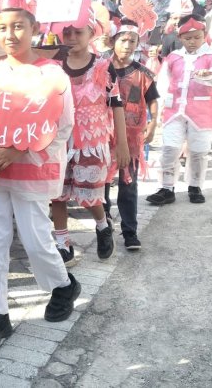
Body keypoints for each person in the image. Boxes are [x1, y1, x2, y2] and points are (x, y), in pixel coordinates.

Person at [0, 0, 81, 352]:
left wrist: (17, 151)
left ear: (34, 29)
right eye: (2, 27)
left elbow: (62, 125)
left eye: (18, 26)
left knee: (36, 239)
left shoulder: (52, 73)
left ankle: (63, 286)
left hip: (30, 168)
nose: (10, 34)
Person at [43, 21, 129, 265]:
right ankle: (63, 244)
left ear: (92, 33)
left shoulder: (104, 67)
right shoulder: (53, 67)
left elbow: (117, 105)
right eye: (66, 32)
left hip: (92, 142)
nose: (71, 37)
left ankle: (102, 225)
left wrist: (121, 144)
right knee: (57, 194)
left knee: (90, 196)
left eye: (77, 32)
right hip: (58, 141)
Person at [147, 14, 212, 206]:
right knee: (170, 149)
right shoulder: (174, 57)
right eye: (188, 38)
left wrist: (209, 76)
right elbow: (163, 82)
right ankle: (166, 187)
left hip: (201, 111)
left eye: (197, 37)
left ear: (204, 35)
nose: (193, 42)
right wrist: (161, 103)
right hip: (174, 111)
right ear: (180, 38)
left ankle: (195, 186)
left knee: (198, 151)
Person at [104, 19, 160, 250]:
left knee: (128, 185)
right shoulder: (100, 69)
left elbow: (152, 99)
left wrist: (153, 123)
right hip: (104, 137)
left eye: (132, 41)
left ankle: (130, 232)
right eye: (123, 40)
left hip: (131, 138)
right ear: (112, 41)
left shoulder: (142, 73)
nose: (127, 45)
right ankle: (104, 227)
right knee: (102, 184)